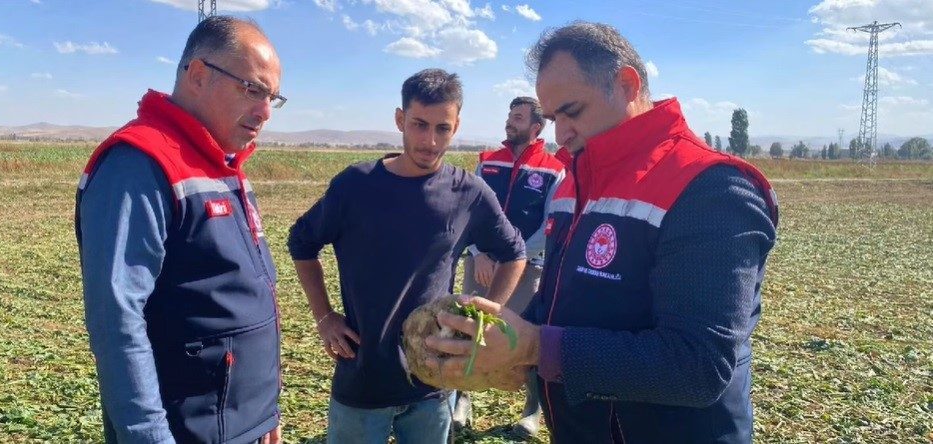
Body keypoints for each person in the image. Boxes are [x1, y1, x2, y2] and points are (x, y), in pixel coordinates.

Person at [424, 21, 779, 443]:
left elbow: (697, 367)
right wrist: (507, 336)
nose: (561, 134)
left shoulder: (710, 189)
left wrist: (536, 346)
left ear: (627, 85)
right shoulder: (574, 180)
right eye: (554, 118)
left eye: (572, 112)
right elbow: (564, 297)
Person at [287, 68, 527, 444]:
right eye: (419, 124)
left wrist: (482, 320)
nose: (430, 141)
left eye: (442, 128)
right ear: (400, 119)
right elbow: (301, 243)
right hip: (362, 379)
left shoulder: (469, 193)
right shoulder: (355, 187)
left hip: (433, 383)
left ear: (456, 125)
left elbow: (514, 253)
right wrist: (324, 316)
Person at [75, 16, 284, 444]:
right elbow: (117, 319)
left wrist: (262, 413)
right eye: (253, 89)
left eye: (273, 97)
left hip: (239, 423)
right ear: (199, 74)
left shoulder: (223, 163)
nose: (264, 111)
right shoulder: (139, 164)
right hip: (187, 430)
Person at [454, 96, 566, 437]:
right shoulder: (487, 162)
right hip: (481, 264)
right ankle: (462, 400)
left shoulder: (553, 169)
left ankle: (530, 412)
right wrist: (477, 251)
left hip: (527, 268)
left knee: (524, 335)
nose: (509, 122)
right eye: (509, 116)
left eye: (517, 118)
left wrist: (508, 259)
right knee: (466, 329)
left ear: (535, 127)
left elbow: (550, 225)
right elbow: (467, 213)